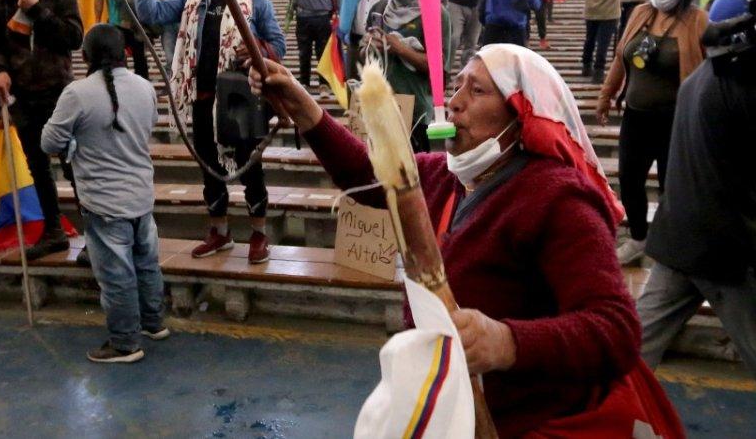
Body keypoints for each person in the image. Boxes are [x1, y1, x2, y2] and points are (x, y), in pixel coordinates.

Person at [251, 44, 682, 437]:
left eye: (476, 91)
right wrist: (303, 107)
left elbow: (616, 331)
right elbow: (369, 176)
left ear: (519, 112)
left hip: (531, 424)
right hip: (459, 413)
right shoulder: (447, 176)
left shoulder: (559, 197)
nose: (454, 103)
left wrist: (505, 342)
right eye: (457, 87)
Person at [638, 0, 756, 404]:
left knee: (632, 352)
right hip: (727, 249)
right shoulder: (744, 84)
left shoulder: (703, 78)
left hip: (678, 236)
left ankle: (597, 418)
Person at [136, 0, 286, 264]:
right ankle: (220, 232)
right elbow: (149, 13)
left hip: (241, 101)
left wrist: (261, 50)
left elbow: (280, 44)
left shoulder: (255, 3)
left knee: (250, 169)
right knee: (209, 168)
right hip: (202, 100)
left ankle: (259, 234)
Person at [41, 24, 165, 363]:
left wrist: (77, 141)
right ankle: (154, 323)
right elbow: (149, 126)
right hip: (140, 193)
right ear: (125, 52)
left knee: (116, 275)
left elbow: (48, 142)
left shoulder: (77, 93)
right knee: (146, 262)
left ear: (85, 57)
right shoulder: (144, 86)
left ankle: (125, 343)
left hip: (103, 200)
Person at [597, 0, 707, 266]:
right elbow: (621, 57)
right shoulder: (640, 13)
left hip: (676, 119)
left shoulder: (697, 20)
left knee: (672, 184)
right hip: (636, 115)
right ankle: (639, 239)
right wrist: (606, 96)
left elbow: (708, 69)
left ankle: (673, 244)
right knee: (630, 179)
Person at [0, 0, 83, 261]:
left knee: (74, 166)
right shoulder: (2, 2)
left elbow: (73, 38)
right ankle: (53, 230)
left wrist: (38, 10)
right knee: (37, 167)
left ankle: (95, 235)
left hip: (59, 94)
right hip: (23, 97)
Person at [362, 0, 451, 152]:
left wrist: (400, 49)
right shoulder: (380, 9)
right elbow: (366, 62)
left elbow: (438, 70)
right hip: (381, 106)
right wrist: (368, 47)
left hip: (415, 109)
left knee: (415, 174)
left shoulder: (436, 14)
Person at [293, 0, 339, 88]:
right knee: (308, 52)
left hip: (318, 17)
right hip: (308, 17)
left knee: (317, 52)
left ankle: (316, 83)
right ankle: (307, 82)